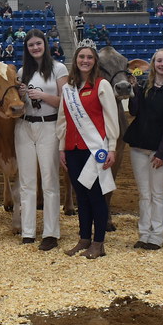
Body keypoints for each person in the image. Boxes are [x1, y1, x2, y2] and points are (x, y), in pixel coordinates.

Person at [57, 41, 119, 259]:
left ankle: (98, 242)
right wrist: (61, 149)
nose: (85, 61)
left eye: (89, 57)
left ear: (95, 62)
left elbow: (111, 118)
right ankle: (84, 238)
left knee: (96, 197)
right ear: (75, 60)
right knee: (80, 197)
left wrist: (111, 147)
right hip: (72, 149)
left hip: (94, 150)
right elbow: (63, 120)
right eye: (81, 57)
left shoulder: (102, 85)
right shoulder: (68, 89)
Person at [16, 29, 68, 250]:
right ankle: (28, 231)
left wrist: (42, 96)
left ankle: (51, 232)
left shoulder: (58, 68)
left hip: (49, 125)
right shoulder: (22, 71)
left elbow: (66, 101)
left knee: (49, 179)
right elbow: (17, 103)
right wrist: (20, 94)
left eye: (38, 44)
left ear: (45, 45)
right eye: (31, 45)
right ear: (26, 49)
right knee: (26, 181)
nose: (35, 48)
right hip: (25, 125)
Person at [123, 48, 163, 250]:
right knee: (144, 193)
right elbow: (134, 111)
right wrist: (134, 90)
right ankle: (143, 233)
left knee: (157, 193)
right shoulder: (144, 85)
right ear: (153, 63)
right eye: (159, 61)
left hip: (157, 149)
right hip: (138, 145)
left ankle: (157, 236)